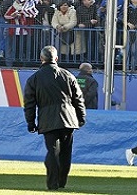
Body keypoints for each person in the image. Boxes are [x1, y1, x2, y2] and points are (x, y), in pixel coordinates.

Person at [23, 46, 86, 191]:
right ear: (56, 59)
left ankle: (52, 183)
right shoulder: (68, 75)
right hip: (68, 119)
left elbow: (29, 103)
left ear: (41, 59)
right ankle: (62, 181)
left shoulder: (34, 78)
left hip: (47, 119)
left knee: (53, 152)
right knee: (65, 153)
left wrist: (31, 122)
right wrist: (81, 117)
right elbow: (78, 99)